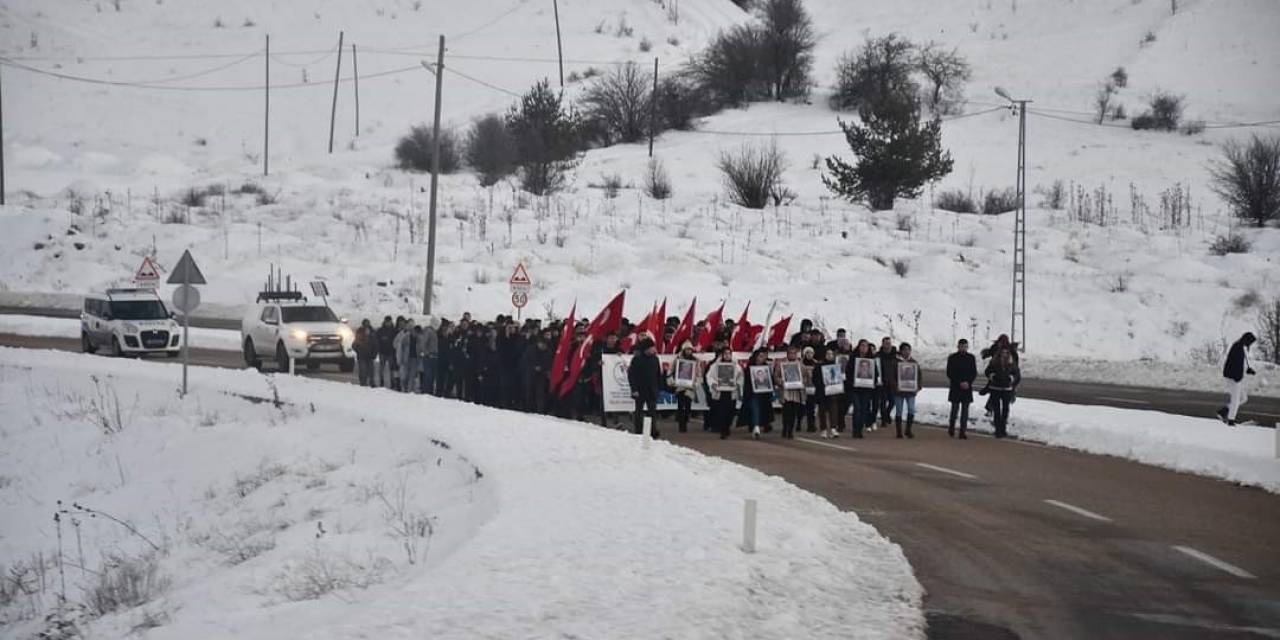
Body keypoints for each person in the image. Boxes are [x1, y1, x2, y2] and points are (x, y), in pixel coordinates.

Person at [1217, 332, 1257, 426]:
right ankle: (1231, 420)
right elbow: (1234, 363)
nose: (1250, 344)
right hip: (1233, 377)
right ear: (1247, 340)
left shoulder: (1241, 346)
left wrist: (1248, 369)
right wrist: (1237, 377)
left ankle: (1224, 411)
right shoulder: (1238, 347)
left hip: (1236, 377)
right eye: (1250, 342)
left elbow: (1241, 362)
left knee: (1243, 398)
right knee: (1236, 399)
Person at [627, 338, 662, 439]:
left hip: (652, 390)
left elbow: (657, 374)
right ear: (646, 349)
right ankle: (638, 430)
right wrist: (634, 389)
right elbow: (631, 375)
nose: (653, 349)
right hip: (640, 390)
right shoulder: (637, 359)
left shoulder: (655, 359)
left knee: (652, 412)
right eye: (651, 347)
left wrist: (658, 388)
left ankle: (653, 431)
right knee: (639, 411)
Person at [705, 347, 743, 439]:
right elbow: (709, 376)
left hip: (731, 392)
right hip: (720, 392)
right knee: (721, 412)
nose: (727, 355)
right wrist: (713, 384)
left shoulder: (736, 366)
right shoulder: (715, 366)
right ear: (722, 355)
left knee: (730, 412)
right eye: (725, 354)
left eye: (729, 354)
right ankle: (723, 430)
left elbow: (740, 377)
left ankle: (727, 427)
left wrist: (737, 384)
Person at [888, 342, 922, 439]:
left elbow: (919, 376)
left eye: (908, 350)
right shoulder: (895, 362)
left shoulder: (914, 363)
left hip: (911, 391)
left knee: (911, 409)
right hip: (899, 391)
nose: (906, 352)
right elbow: (891, 376)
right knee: (899, 410)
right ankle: (899, 431)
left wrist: (918, 386)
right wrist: (895, 386)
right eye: (904, 350)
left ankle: (908, 429)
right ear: (901, 351)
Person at [985, 348, 1021, 438]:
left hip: (1007, 389)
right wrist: (992, 376)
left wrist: (1011, 378)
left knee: (1005, 409)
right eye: (1003, 352)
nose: (1004, 354)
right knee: (997, 410)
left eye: (1006, 352)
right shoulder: (994, 362)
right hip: (995, 388)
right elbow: (987, 371)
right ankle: (998, 430)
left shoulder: (1011, 363)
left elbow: (1017, 374)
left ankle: (1003, 429)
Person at [847, 340, 880, 439]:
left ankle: (860, 429)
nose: (864, 348)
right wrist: (851, 382)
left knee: (864, 410)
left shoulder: (871, 360)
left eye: (866, 346)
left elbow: (876, 374)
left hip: (866, 389)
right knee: (857, 409)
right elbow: (848, 372)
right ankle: (855, 430)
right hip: (855, 389)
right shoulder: (853, 359)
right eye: (862, 346)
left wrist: (872, 383)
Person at [946, 339, 978, 439]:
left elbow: (974, 372)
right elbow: (949, 373)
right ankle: (951, 428)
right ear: (958, 346)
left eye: (965, 346)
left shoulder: (971, 358)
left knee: (965, 411)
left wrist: (968, 382)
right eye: (961, 346)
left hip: (967, 388)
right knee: (954, 410)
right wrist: (959, 382)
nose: (963, 348)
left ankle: (962, 432)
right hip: (956, 387)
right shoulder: (952, 358)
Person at [774, 345, 806, 439]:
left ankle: (790, 430)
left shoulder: (800, 365)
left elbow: (805, 377)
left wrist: (802, 382)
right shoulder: (781, 364)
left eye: (794, 353)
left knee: (793, 412)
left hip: (796, 392)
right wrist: (781, 382)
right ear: (787, 354)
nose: (792, 355)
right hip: (786, 392)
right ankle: (785, 427)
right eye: (790, 353)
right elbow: (776, 376)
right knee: (786, 411)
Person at [668, 342, 699, 433]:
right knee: (681, 406)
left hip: (690, 387)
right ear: (683, 350)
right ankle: (682, 425)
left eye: (690, 349)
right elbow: (670, 371)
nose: (688, 351)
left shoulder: (695, 360)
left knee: (688, 406)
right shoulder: (677, 360)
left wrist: (695, 384)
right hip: (680, 386)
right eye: (687, 349)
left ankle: (685, 420)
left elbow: (698, 374)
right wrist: (672, 382)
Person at [742, 349, 772, 439]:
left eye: (763, 356)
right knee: (755, 409)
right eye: (760, 356)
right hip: (752, 393)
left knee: (761, 410)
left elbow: (769, 380)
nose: (761, 358)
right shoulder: (750, 367)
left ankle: (760, 425)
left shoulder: (766, 367)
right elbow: (747, 381)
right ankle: (756, 427)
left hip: (763, 394)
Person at [813, 349, 842, 439]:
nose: (830, 355)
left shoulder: (836, 366)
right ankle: (823, 429)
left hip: (833, 391)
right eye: (828, 354)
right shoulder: (819, 365)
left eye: (831, 354)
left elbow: (838, 378)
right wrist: (822, 384)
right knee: (822, 411)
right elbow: (815, 379)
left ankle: (833, 428)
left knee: (833, 410)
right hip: (822, 392)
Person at [875, 337, 897, 429]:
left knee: (893, 401)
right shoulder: (878, 356)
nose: (888, 345)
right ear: (882, 344)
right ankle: (884, 419)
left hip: (892, 382)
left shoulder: (895, 355)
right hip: (882, 382)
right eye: (886, 343)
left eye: (889, 343)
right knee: (883, 402)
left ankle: (887, 414)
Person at [394, 319, 420, 393]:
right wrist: (399, 358)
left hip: (414, 359)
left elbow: (421, 347)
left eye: (412, 326)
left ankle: (409, 391)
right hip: (405, 359)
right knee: (404, 376)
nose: (411, 327)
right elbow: (396, 345)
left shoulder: (418, 337)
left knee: (412, 376)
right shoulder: (404, 336)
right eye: (409, 325)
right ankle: (404, 389)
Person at [353, 319, 378, 387]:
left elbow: (375, 344)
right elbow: (355, 344)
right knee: (363, 370)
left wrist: (374, 353)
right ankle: (363, 383)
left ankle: (372, 383)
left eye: (367, 324)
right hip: (362, 356)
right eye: (365, 324)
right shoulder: (359, 332)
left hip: (370, 355)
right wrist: (359, 351)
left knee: (371, 371)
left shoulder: (373, 332)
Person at [375, 316, 398, 389]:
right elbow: (377, 340)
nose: (388, 323)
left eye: (389, 322)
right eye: (387, 322)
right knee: (381, 368)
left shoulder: (394, 331)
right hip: (382, 352)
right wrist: (378, 349)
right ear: (384, 322)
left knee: (391, 368)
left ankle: (392, 382)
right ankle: (381, 381)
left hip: (391, 352)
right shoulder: (380, 330)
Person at [801, 346, 818, 433]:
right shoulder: (800, 363)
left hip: (813, 388)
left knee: (811, 408)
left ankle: (811, 425)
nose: (809, 354)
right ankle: (798, 423)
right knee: (802, 408)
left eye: (811, 353)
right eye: (807, 352)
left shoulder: (816, 363)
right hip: (803, 387)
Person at [420, 318, 439, 395]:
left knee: (432, 376)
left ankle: (430, 391)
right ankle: (426, 392)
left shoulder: (435, 332)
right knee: (428, 376)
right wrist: (427, 353)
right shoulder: (428, 331)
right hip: (429, 357)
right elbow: (423, 343)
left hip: (434, 357)